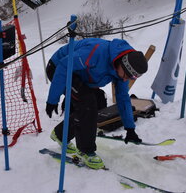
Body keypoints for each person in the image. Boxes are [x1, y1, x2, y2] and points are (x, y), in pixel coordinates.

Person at [45, 38, 148, 169]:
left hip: (80, 74)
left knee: (99, 100)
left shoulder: (123, 68)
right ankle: (85, 150)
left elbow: (123, 98)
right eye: (127, 75)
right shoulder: (96, 53)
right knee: (87, 102)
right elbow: (64, 65)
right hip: (59, 68)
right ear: (122, 64)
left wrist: (130, 128)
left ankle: (60, 134)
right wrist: (53, 99)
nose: (126, 79)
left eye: (131, 78)